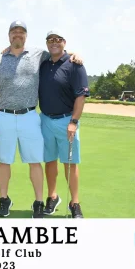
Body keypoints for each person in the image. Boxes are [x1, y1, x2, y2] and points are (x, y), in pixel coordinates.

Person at [0, 20, 82, 218]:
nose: (17, 35)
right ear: (9, 35)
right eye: (14, 32)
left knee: (35, 161)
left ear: (26, 36)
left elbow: (59, 52)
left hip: (30, 116)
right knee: (4, 161)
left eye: (21, 32)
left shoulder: (39, 54)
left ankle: (39, 201)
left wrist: (75, 54)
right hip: (4, 116)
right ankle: (4, 200)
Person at [38, 30, 89, 218]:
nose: (54, 43)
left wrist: (74, 122)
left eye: (58, 40)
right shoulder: (42, 64)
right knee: (49, 161)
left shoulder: (75, 65)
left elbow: (81, 96)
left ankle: (74, 202)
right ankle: (52, 196)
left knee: (70, 162)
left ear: (64, 43)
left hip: (67, 120)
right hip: (45, 120)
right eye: (50, 40)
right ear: (46, 43)